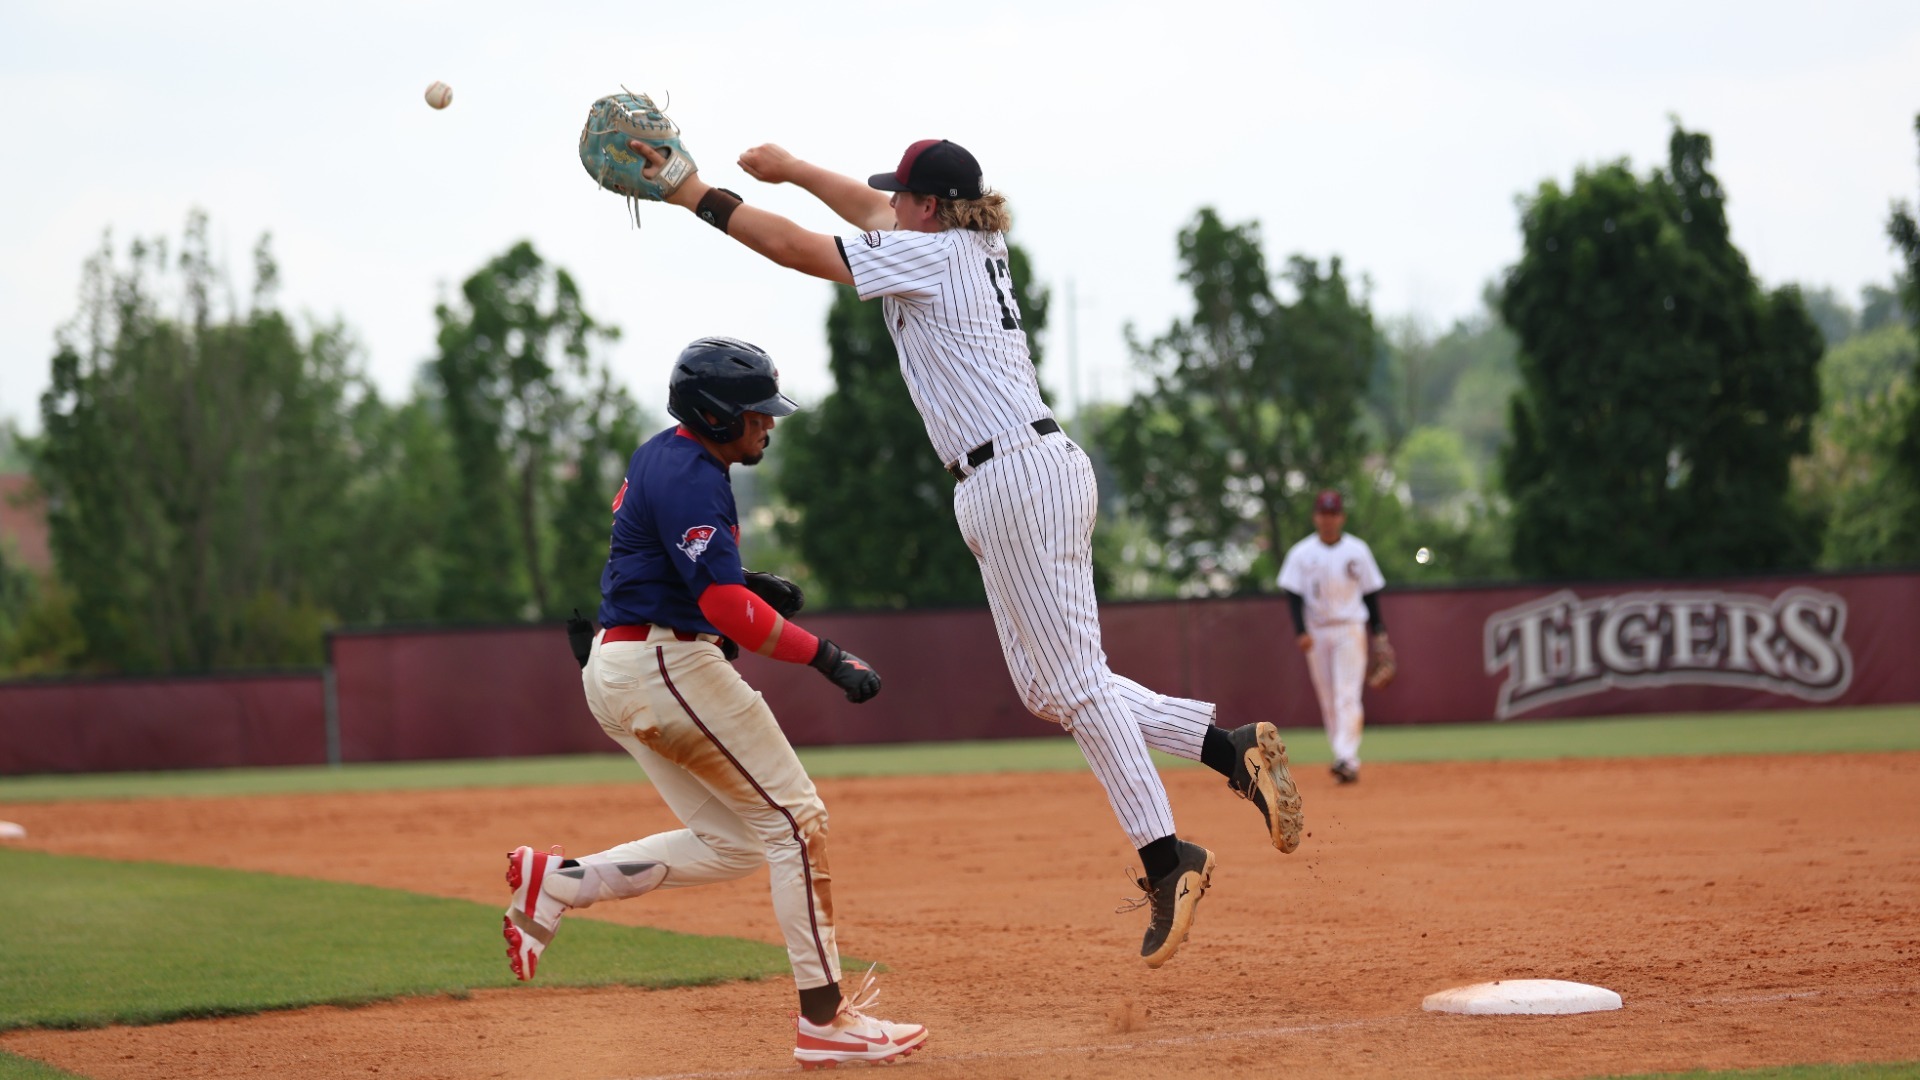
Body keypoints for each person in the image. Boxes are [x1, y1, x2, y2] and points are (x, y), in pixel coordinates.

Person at [624, 135, 1304, 968]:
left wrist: (691, 190)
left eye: (902, 196)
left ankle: (1168, 860)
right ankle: (1228, 750)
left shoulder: (935, 256)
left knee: (1076, 685)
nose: (887, 205)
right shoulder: (967, 244)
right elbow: (868, 210)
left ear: (931, 208)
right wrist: (795, 169)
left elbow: (799, 249)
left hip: (1014, 474)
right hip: (1017, 473)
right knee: (1052, 689)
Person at [501, 337, 927, 1070]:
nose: (768, 423)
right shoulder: (695, 475)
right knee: (797, 821)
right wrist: (826, 656)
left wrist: (738, 582)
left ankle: (562, 883)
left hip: (620, 662)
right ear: (716, 414)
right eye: (756, 413)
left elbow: (673, 570)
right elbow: (726, 609)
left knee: (737, 843)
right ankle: (825, 1020)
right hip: (662, 665)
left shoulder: (661, 455)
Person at [1276, 489, 1388, 785]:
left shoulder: (1357, 550)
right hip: (1317, 630)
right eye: (1323, 513)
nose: (1328, 519)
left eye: (1333, 513)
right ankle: (1342, 755)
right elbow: (1293, 594)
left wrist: (1379, 631)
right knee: (1327, 698)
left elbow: (1371, 593)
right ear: (1316, 517)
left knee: (1346, 694)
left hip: (1350, 627)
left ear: (1342, 517)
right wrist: (1300, 631)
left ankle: (1347, 758)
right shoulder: (1301, 553)